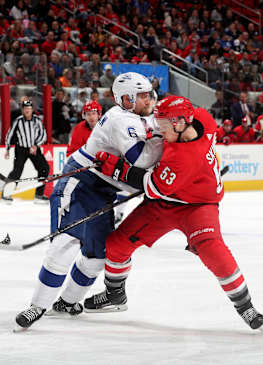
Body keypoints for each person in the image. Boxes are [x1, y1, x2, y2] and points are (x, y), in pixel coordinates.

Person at [83, 95, 263, 331]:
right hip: (167, 203)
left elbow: (151, 186)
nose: (160, 130)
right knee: (117, 245)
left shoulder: (184, 158)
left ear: (180, 123)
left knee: (213, 250)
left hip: (199, 207)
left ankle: (245, 306)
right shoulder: (202, 119)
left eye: (164, 126)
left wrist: (117, 168)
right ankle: (114, 295)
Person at [15, 72, 163, 329]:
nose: (147, 99)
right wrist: (169, 140)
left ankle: (68, 301)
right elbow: (141, 159)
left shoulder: (147, 115)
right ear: (125, 99)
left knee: (97, 255)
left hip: (104, 191)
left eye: (148, 94)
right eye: (141, 96)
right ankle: (37, 306)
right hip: (81, 184)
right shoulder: (120, 118)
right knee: (64, 244)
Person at [3, 99, 49, 203]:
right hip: (21, 149)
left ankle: (39, 195)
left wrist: (36, 146)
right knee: (16, 171)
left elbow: (43, 135)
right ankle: (6, 194)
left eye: (29, 108)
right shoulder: (18, 121)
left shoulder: (37, 120)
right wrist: (7, 149)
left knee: (44, 168)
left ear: (32, 109)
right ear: (22, 110)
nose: (27, 110)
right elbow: (10, 134)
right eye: (25, 108)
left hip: (34, 149)